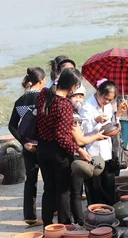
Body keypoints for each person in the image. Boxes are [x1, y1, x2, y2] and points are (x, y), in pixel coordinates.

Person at [36, 68, 90, 226]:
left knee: (48, 189)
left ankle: (47, 225)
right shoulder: (65, 105)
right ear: (73, 87)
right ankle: (64, 226)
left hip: (42, 149)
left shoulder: (44, 95)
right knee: (63, 191)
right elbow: (62, 137)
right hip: (58, 153)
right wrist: (80, 151)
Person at [8, 67, 47, 227]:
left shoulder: (20, 101)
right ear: (42, 81)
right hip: (45, 145)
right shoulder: (44, 99)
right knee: (49, 181)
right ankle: (50, 213)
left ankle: (30, 216)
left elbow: (12, 126)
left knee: (30, 180)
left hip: (28, 147)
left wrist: (24, 142)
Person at [69, 85, 108, 224]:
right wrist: (96, 136)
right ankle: (79, 220)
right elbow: (80, 139)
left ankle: (85, 217)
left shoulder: (78, 112)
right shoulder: (73, 114)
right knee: (76, 190)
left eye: (80, 96)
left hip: (81, 151)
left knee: (81, 188)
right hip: (75, 152)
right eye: (75, 96)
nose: (78, 99)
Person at [80, 79, 118, 205]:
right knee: (94, 186)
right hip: (92, 151)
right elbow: (83, 129)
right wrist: (96, 120)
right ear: (98, 91)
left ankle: (109, 210)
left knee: (108, 183)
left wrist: (117, 121)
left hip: (106, 150)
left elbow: (110, 124)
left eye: (110, 99)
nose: (107, 101)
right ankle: (95, 213)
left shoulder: (108, 106)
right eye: (105, 98)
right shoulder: (87, 106)